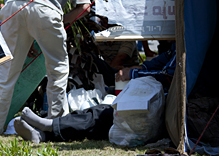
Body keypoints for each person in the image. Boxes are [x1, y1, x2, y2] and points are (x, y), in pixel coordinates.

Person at [0, 0, 91, 133]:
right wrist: (61, 22)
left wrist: (27, 39)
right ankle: (57, 124)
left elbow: (20, 9)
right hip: (45, 8)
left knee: (6, 74)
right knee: (57, 68)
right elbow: (84, 6)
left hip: (12, 9)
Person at [15, 43, 177, 144]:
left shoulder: (188, 48)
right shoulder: (175, 48)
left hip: (160, 104)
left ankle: (49, 126)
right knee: (98, 115)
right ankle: (43, 134)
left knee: (102, 114)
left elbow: (169, 75)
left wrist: (133, 73)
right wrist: (139, 69)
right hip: (149, 98)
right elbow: (155, 64)